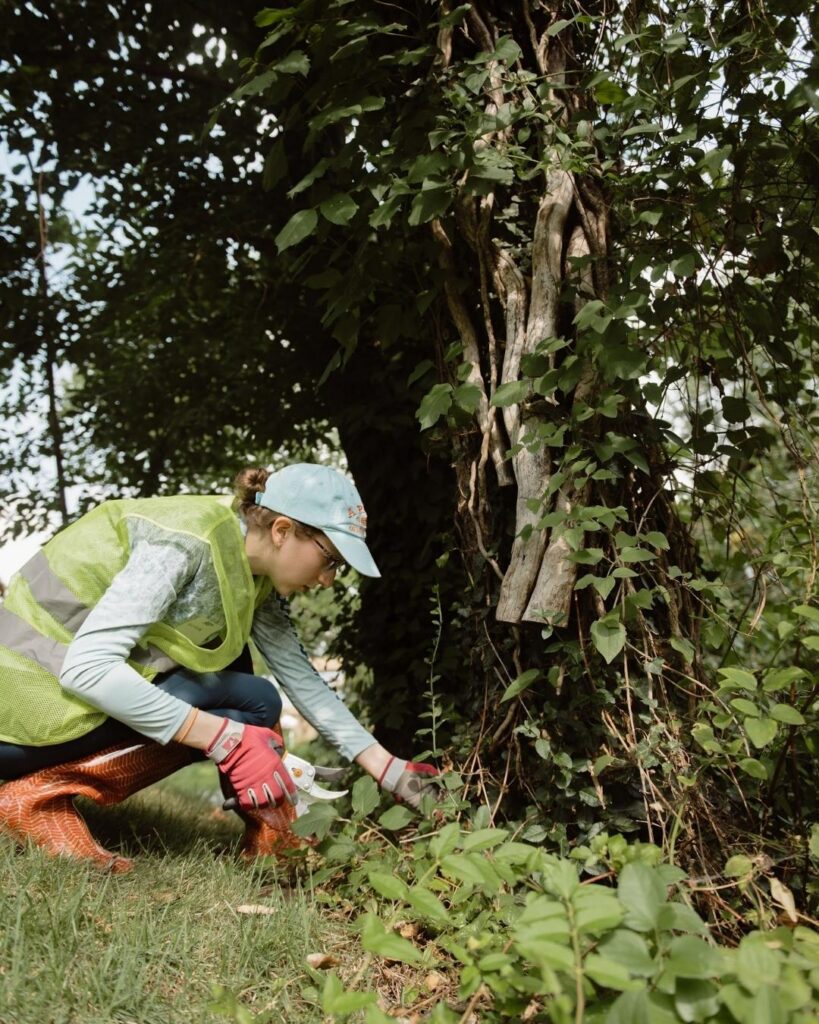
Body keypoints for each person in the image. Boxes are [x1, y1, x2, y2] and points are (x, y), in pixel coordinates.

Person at [0, 463, 437, 872]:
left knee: (255, 696)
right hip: (20, 719)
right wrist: (226, 740)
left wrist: (388, 768)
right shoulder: (184, 543)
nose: (329, 579)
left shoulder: (253, 574)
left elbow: (302, 681)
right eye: (331, 559)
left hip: (59, 711)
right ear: (283, 530)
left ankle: (271, 846)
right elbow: (88, 671)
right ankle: (33, 798)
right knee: (235, 707)